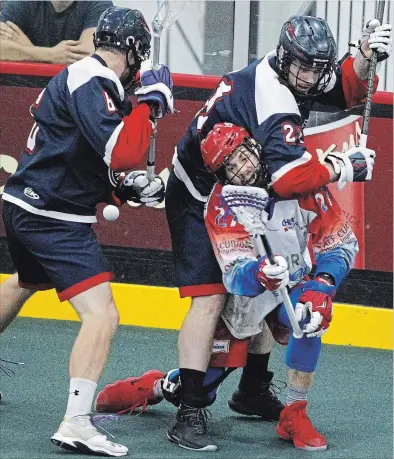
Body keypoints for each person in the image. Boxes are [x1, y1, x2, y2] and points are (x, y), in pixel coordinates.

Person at [163, 15, 391, 450]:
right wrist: (342, 166)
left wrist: (364, 57)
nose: (308, 77)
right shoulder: (273, 97)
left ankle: (252, 389)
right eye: (302, 67)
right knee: (210, 299)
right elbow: (287, 178)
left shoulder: (289, 69)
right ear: (286, 59)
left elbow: (342, 87)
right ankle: (189, 408)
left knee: (280, 280)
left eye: (314, 68)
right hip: (202, 195)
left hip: (250, 191)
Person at [94, 122, 360, 452]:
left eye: (243, 156)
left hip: (294, 283)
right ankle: (156, 386)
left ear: (256, 147)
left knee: (311, 317)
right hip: (245, 299)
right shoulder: (221, 204)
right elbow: (234, 273)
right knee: (200, 391)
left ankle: (294, 413)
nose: (242, 169)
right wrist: (259, 273)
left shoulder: (299, 177)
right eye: (229, 166)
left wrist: (324, 284)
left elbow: (341, 242)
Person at [0, 6, 174, 457]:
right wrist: (152, 103)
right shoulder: (93, 80)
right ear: (135, 52)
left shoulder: (93, 79)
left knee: (24, 282)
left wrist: (129, 189)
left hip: (27, 204)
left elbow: (95, 158)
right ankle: (77, 421)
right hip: (52, 215)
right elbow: (122, 152)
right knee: (103, 315)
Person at [0, 0, 113, 63]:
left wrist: (26, 49)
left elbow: (85, 56)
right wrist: (51, 55)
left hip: (70, 93)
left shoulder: (98, 4)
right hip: (22, 89)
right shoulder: (21, 3)